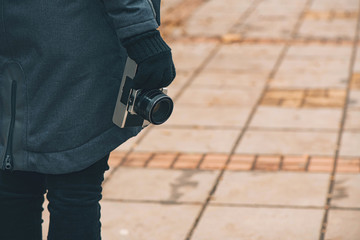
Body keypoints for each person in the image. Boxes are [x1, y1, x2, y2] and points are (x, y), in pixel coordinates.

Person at [0, 0, 175, 239]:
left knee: (15, 184)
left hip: (26, 37)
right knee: (73, 190)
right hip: (73, 41)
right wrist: (141, 31)